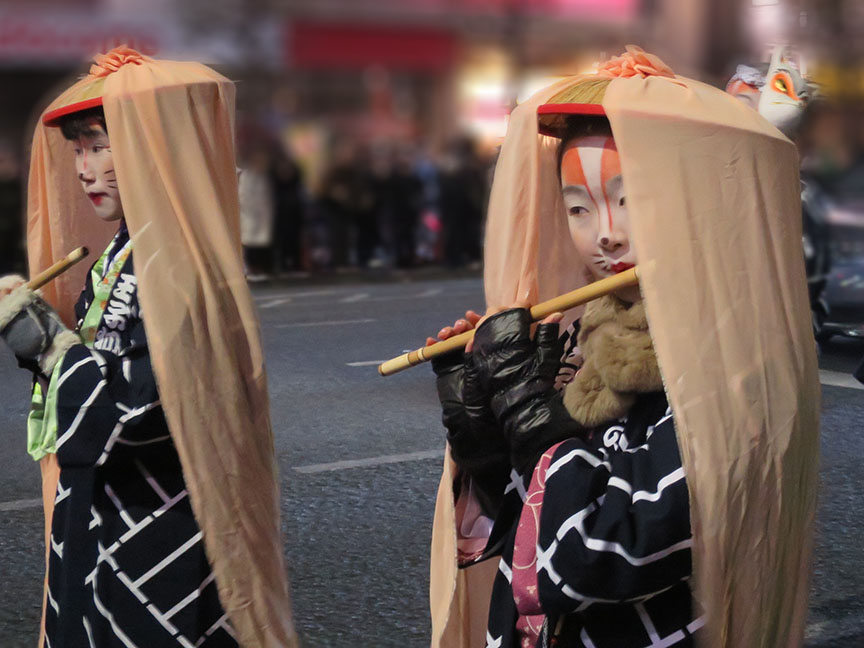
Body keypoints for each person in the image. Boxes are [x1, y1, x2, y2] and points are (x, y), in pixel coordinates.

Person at [427, 47, 820, 648]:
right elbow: (529, 517)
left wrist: (530, 413)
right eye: (578, 208)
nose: (604, 231)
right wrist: (480, 414)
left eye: (629, 198)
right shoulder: (591, 336)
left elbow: (605, 555)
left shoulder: (728, 363)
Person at [0, 47, 296, 647]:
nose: (84, 169)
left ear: (150, 148)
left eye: (99, 146)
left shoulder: (179, 265)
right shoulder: (122, 251)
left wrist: (48, 347)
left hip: (163, 534)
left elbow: (142, 414)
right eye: (78, 149)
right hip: (109, 520)